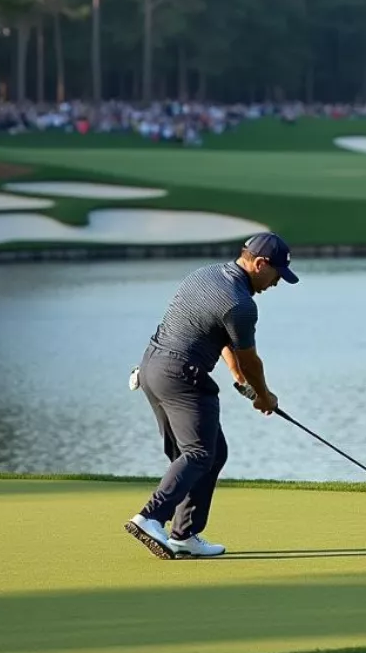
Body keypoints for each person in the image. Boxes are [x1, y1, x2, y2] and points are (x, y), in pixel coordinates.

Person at [125, 232, 299, 559]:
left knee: (209, 453)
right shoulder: (241, 304)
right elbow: (250, 358)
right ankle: (150, 517)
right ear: (260, 264)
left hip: (152, 369)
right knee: (200, 453)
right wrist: (264, 396)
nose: (277, 282)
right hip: (182, 377)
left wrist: (236, 376)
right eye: (277, 274)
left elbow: (220, 336)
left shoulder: (205, 275)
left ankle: (184, 534)